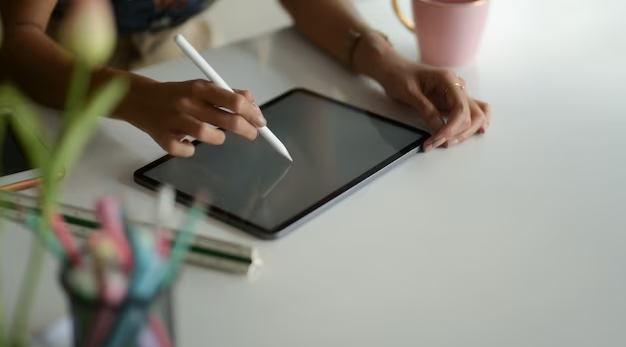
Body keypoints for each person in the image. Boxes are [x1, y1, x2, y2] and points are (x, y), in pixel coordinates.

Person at [0, 0, 490, 157]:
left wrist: (385, 61)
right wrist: (132, 96)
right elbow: (20, 39)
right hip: (58, 61)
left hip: (175, 46)